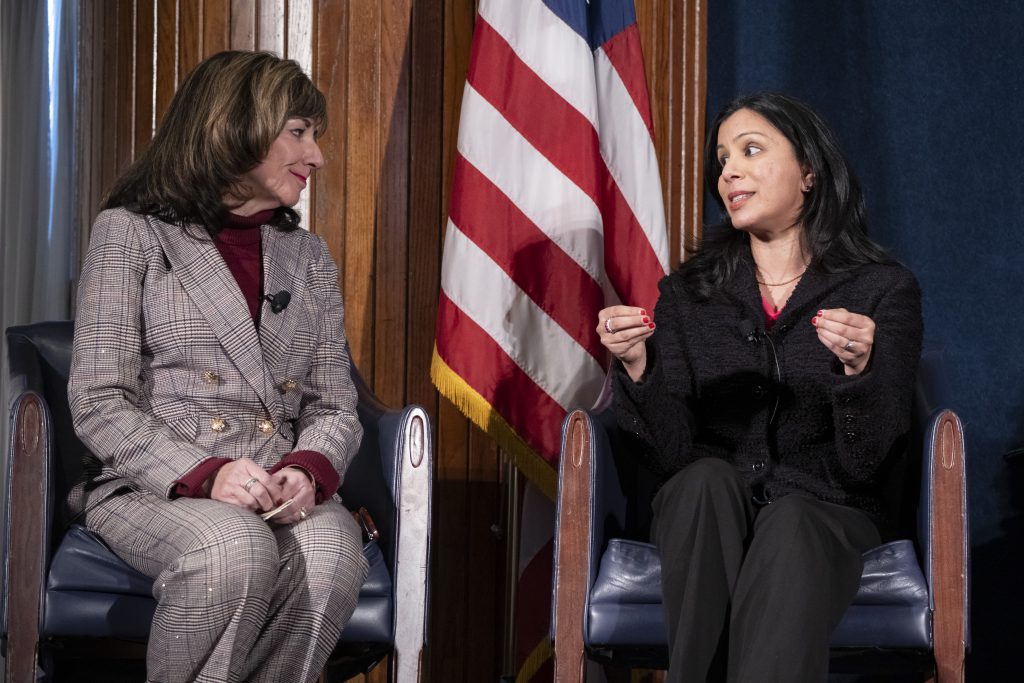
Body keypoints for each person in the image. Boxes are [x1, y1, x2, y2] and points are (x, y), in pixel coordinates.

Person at [597, 92, 922, 682]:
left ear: (808, 173)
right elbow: (667, 454)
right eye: (722, 160)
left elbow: (869, 463)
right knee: (702, 482)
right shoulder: (687, 295)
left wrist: (859, 375)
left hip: (828, 507)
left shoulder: (882, 291)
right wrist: (641, 367)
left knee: (793, 523)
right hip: (706, 507)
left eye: (750, 151)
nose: (730, 172)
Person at [67, 50, 368, 683]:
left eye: (315, 136)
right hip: (153, 486)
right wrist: (205, 475)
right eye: (299, 133)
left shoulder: (307, 256)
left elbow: (334, 405)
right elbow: (99, 399)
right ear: (234, 126)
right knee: (232, 547)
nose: (316, 156)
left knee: (332, 549)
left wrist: (306, 471)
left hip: (274, 489)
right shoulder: (130, 234)